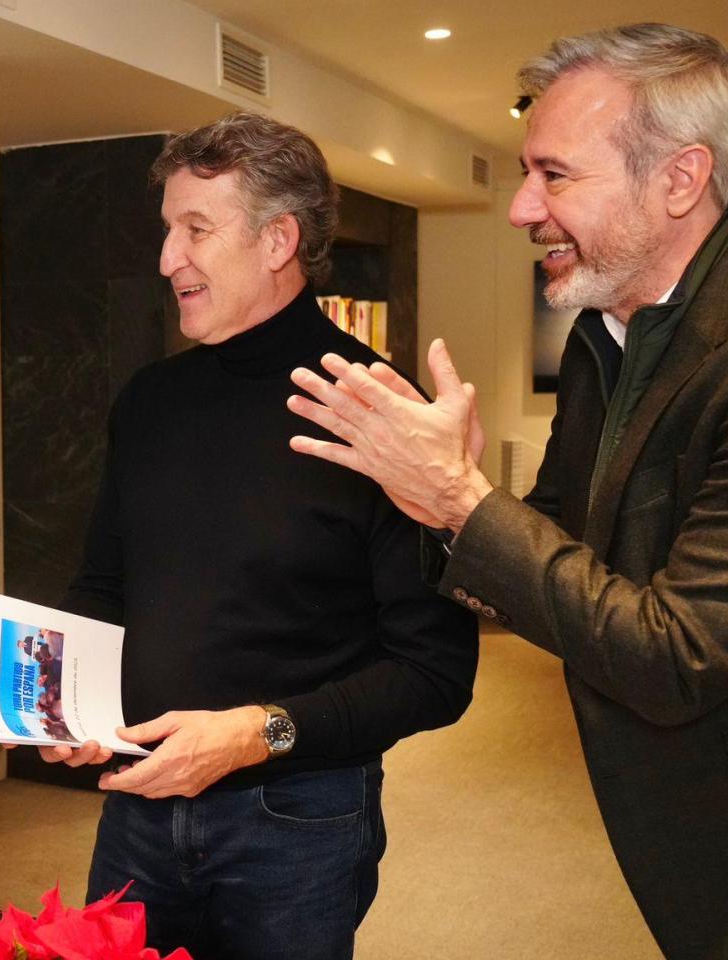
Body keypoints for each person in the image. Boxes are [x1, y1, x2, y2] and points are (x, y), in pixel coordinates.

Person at [286, 24, 728, 960]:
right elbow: (555, 539)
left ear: (679, 180)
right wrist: (441, 502)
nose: (520, 207)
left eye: (555, 175)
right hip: (690, 823)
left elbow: (675, 658)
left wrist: (464, 501)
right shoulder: (609, 336)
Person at [45, 113, 478, 960]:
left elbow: (434, 674)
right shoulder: (148, 401)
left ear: (279, 240)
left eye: (196, 230)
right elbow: (103, 585)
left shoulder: (382, 418)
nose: (168, 258)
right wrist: (68, 697)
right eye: (168, 230)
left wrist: (257, 731)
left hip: (298, 824)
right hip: (136, 806)